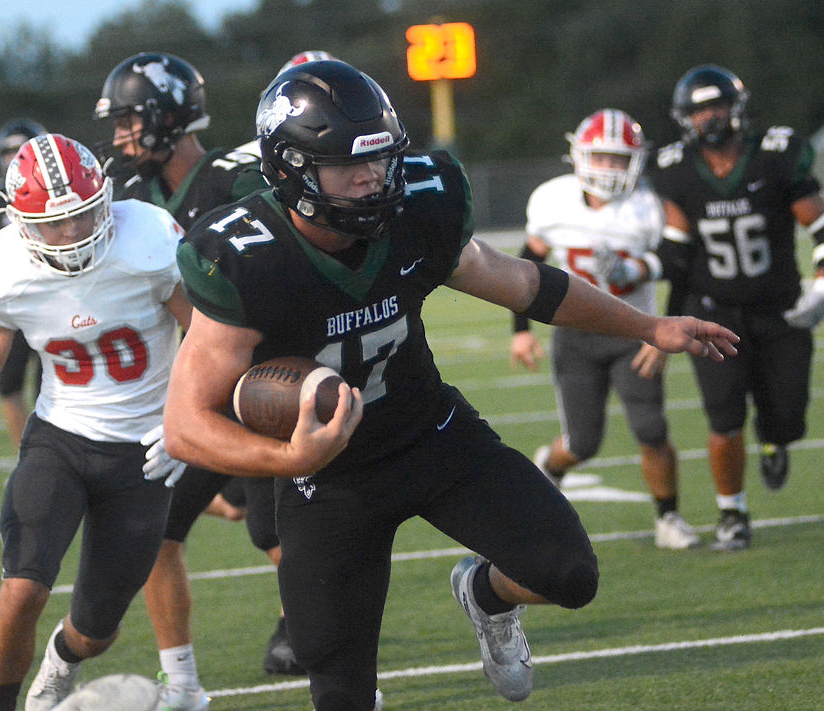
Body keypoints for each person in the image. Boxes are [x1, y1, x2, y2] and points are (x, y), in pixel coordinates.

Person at [161, 60, 739, 710]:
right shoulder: (247, 252)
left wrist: (648, 325)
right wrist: (286, 458)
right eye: (349, 165)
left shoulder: (417, 205)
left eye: (380, 159)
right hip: (328, 478)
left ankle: (486, 596)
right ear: (292, 167)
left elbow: (523, 282)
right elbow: (185, 422)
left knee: (568, 572)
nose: (373, 178)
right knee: (336, 683)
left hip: (429, 434)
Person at [0, 133, 192, 711]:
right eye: (53, 224)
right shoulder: (6, 267)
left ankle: (63, 659)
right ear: (18, 221)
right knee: (22, 586)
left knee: (96, 628)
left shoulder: (147, 239)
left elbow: (209, 335)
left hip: (144, 452)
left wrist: (185, 422)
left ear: (104, 199)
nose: (72, 234)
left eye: (83, 216)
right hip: (60, 439)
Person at [93, 51, 301, 694]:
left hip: (258, 381)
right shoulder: (126, 195)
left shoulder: (237, 179)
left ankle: (310, 621)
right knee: (154, 527)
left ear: (167, 116)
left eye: (132, 120)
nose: (123, 135)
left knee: (276, 528)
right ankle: (181, 681)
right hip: (183, 392)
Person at [646, 64, 824, 550]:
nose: (710, 117)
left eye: (717, 105)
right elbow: (677, 255)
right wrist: (661, 313)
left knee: (787, 419)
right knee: (723, 419)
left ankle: (773, 439)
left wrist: (821, 287)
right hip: (714, 314)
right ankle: (732, 513)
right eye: (700, 110)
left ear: (737, 108)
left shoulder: (776, 155)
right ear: (685, 118)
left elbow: (821, 226)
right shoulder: (675, 170)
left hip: (782, 310)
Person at [511, 108, 699, 550]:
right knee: (583, 441)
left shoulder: (649, 208)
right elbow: (526, 264)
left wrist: (662, 327)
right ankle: (551, 467)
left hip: (634, 334)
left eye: (618, 158)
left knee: (651, 429)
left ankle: (669, 517)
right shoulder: (552, 200)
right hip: (575, 336)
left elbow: (680, 265)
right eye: (601, 157)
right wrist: (520, 329)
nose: (609, 168)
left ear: (635, 161)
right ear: (579, 156)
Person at [0, 118, 47, 448]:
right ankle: (27, 454)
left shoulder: (56, 187)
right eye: (7, 151)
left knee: (50, 384)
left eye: (19, 149)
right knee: (7, 383)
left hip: (54, 296)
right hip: (14, 298)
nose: (13, 157)